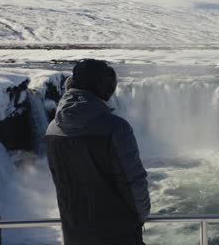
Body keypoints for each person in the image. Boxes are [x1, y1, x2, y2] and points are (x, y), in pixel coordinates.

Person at [45, 59, 150, 245]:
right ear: (101, 87)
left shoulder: (53, 129)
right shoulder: (116, 128)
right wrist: (139, 218)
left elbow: (60, 181)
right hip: (119, 233)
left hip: (74, 233)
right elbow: (133, 181)